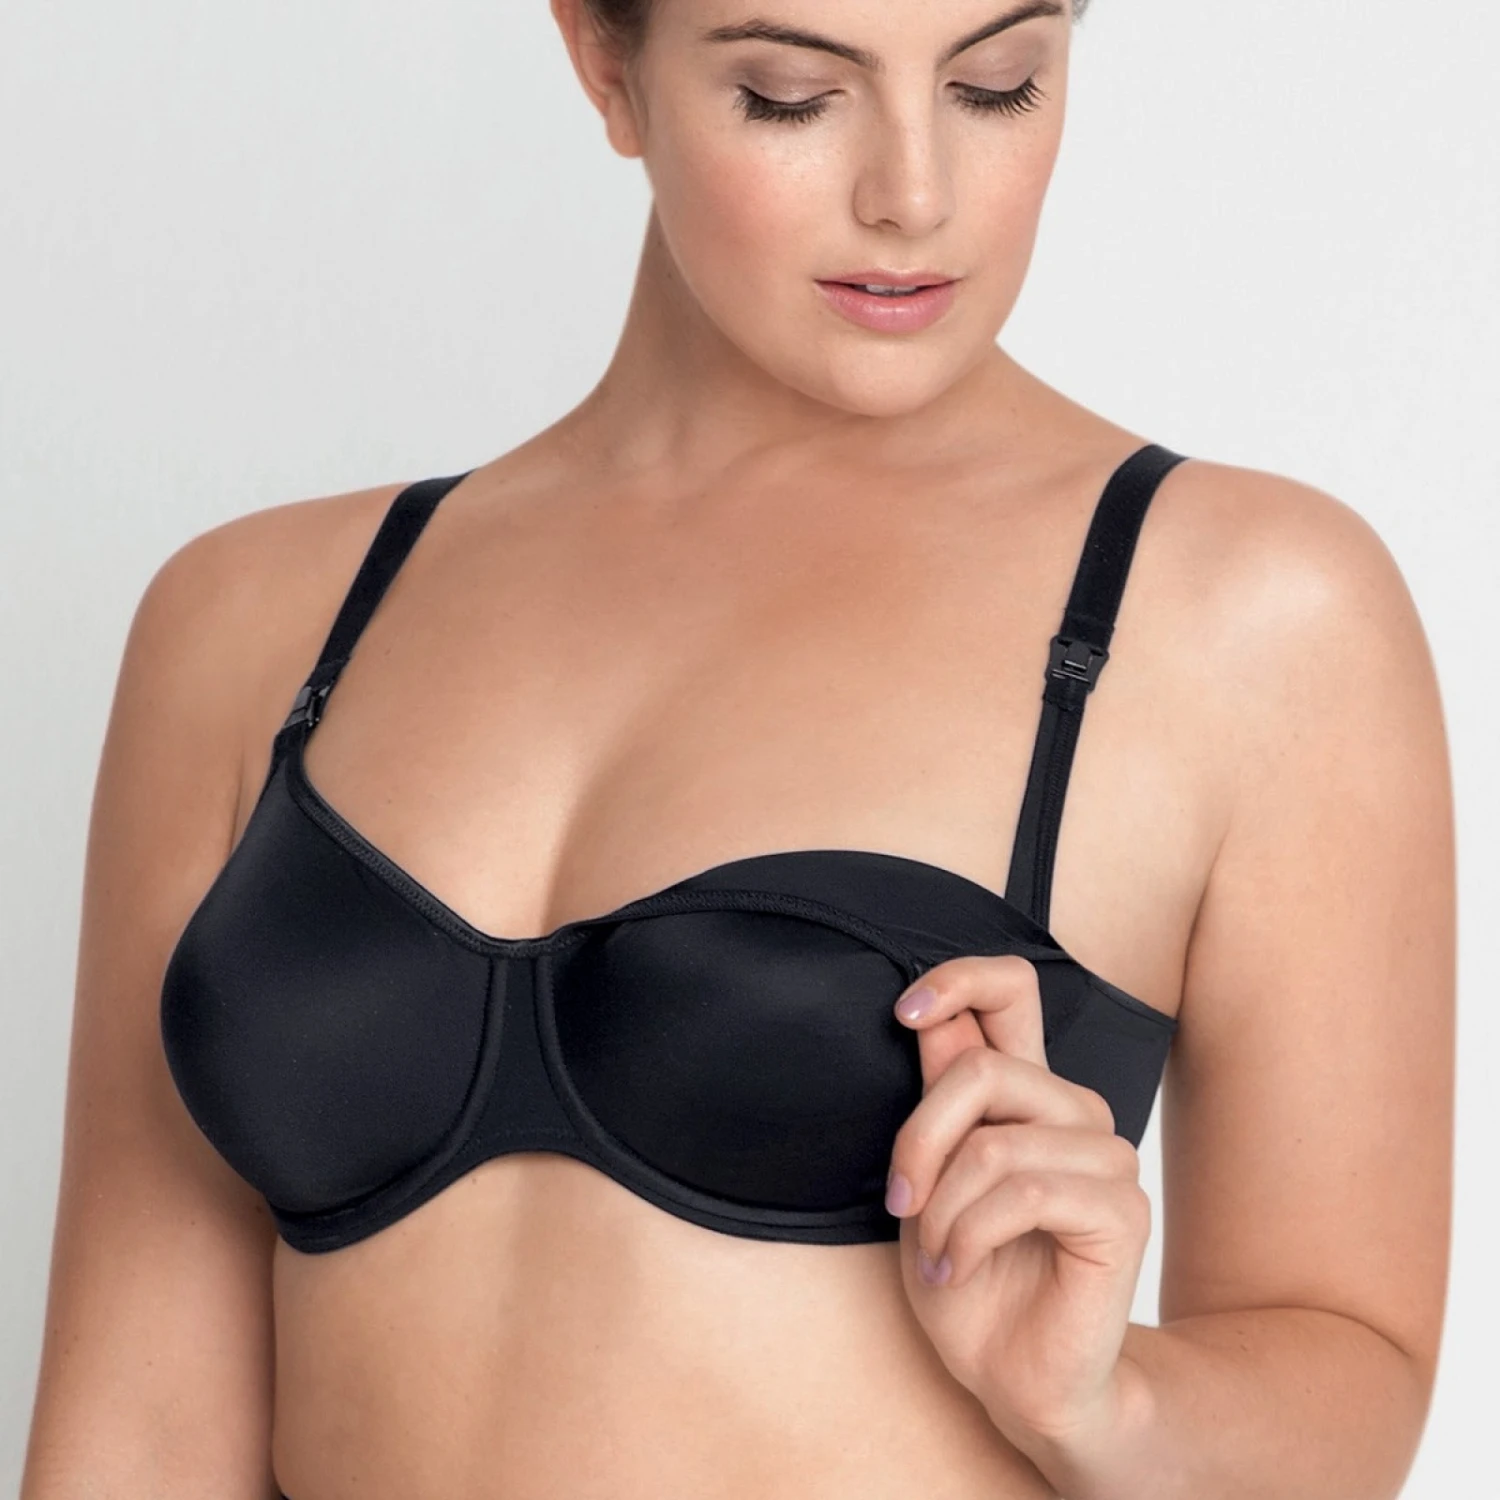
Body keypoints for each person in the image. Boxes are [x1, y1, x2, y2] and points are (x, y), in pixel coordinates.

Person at [23, 1, 1454, 1497]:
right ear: (604, 61)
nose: (914, 194)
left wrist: (1108, 1402)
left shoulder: (1240, 607)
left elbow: (1349, 1380)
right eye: (789, 95)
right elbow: (137, 1437)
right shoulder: (257, 624)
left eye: (996, 84)